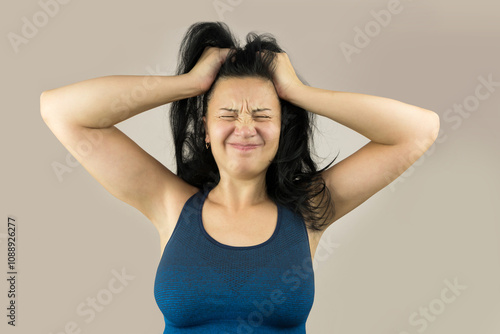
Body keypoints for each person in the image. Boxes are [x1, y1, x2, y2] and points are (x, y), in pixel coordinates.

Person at [40, 21, 439, 333]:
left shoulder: (309, 209)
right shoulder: (169, 203)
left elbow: (418, 131)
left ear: (283, 128)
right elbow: (61, 111)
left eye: (263, 115)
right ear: (205, 128)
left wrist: (298, 92)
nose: (245, 127)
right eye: (228, 115)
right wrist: (190, 84)